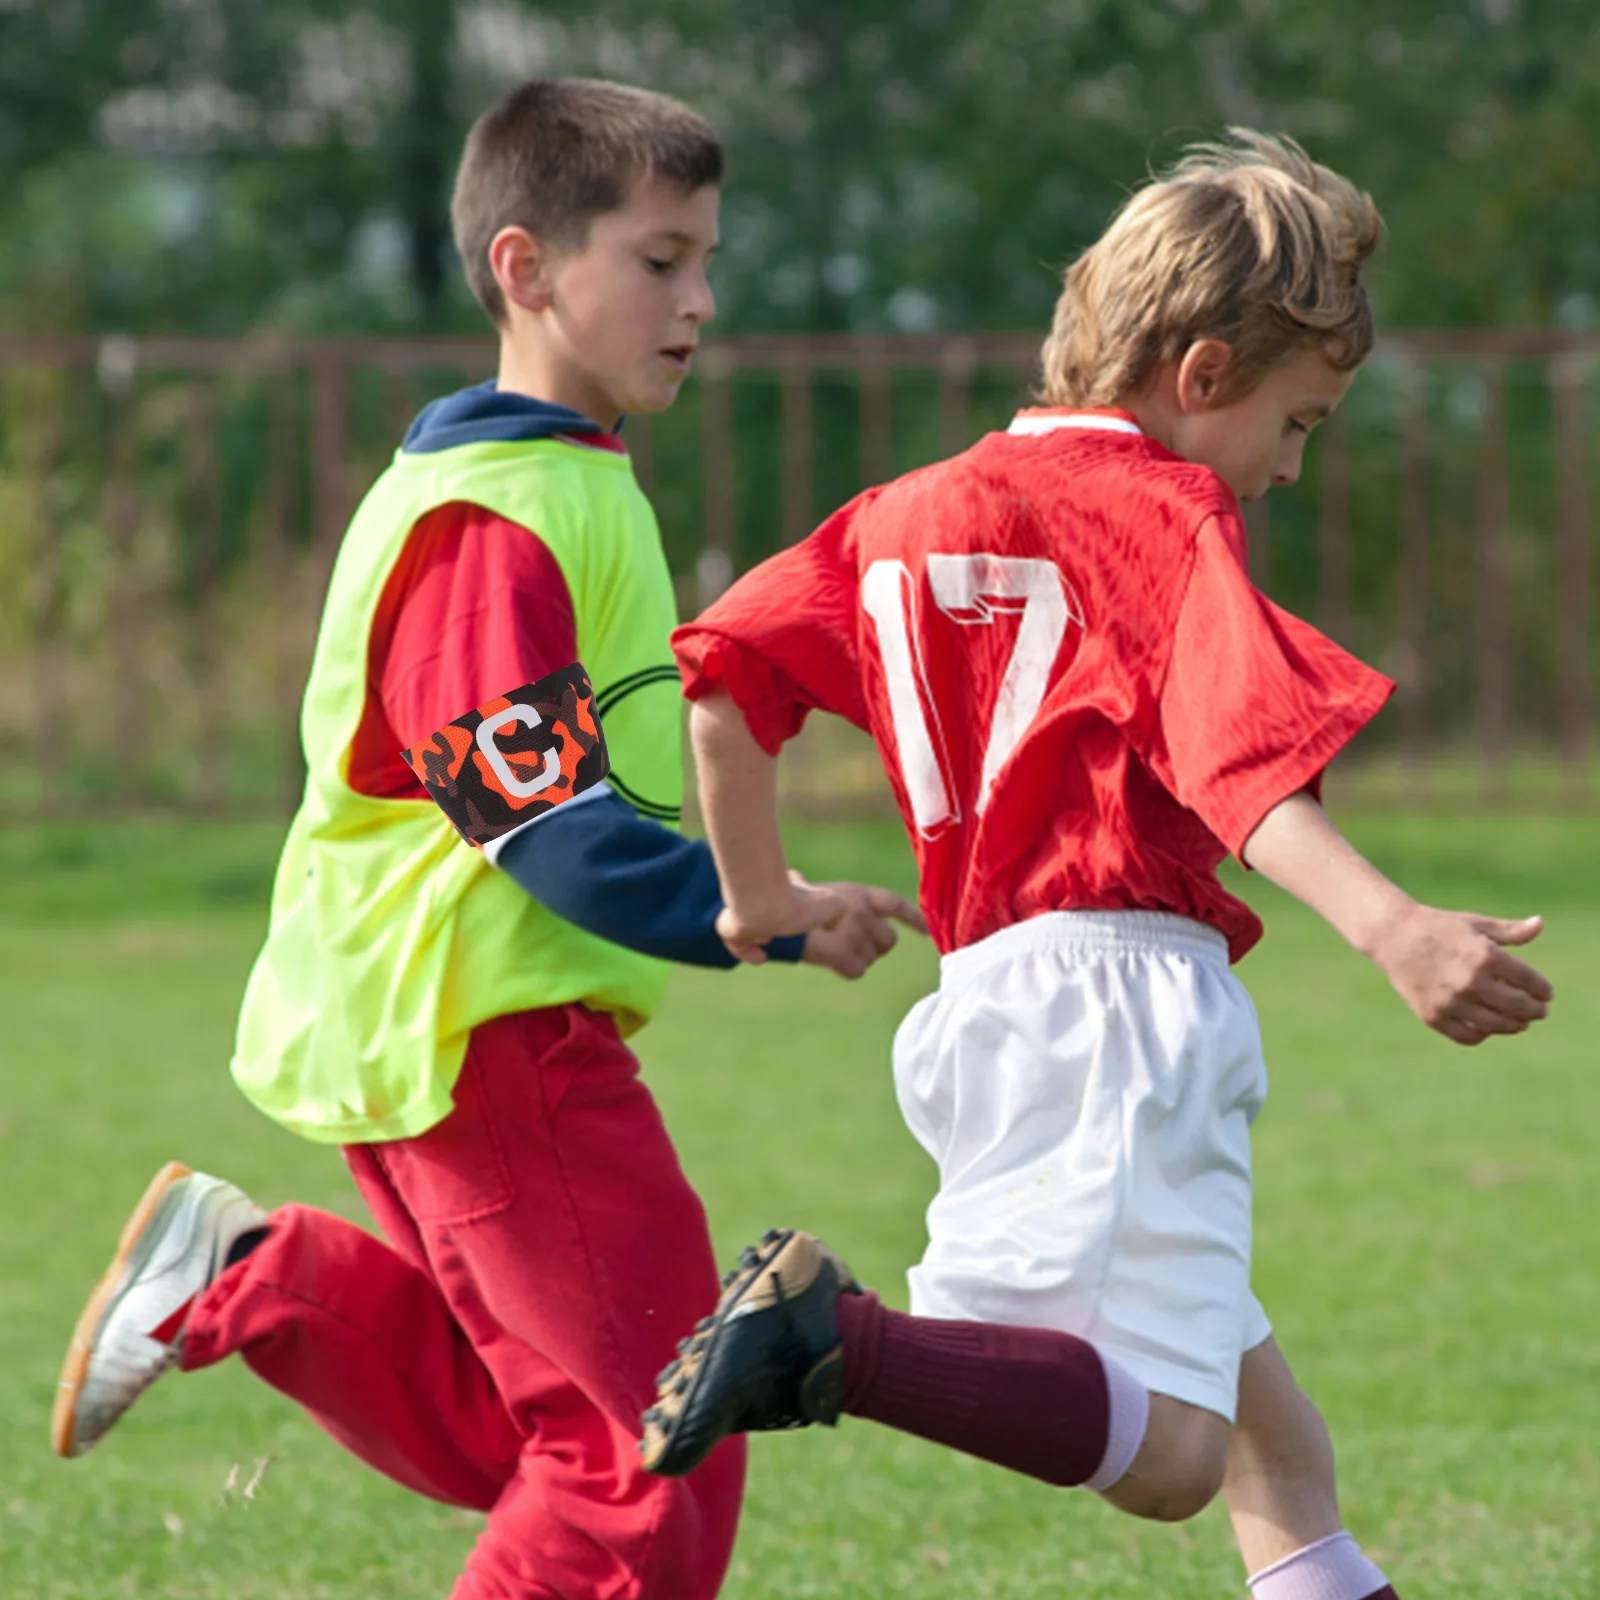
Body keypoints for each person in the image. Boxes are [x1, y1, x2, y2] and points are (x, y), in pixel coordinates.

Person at [638, 131, 1554, 1600]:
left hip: (997, 995)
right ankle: (830, 1340)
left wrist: (763, 898)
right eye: (1299, 423)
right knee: (1179, 1464)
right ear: (1201, 374)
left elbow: (722, 680)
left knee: (1277, 1455)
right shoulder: (1165, 515)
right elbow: (1237, 758)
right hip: (1124, 998)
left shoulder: (899, 514)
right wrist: (1392, 927)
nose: (1290, 469)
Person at [51, 78, 918, 1600]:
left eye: (709, 261)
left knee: (521, 1439)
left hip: (455, 1028)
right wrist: (756, 908)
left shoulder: (553, 479)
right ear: (525, 268)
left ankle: (255, 1278)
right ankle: (250, 1280)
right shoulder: (491, 524)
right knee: (652, 1462)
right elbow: (546, 827)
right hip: (487, 1037)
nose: (700, 301)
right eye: (659, 261)